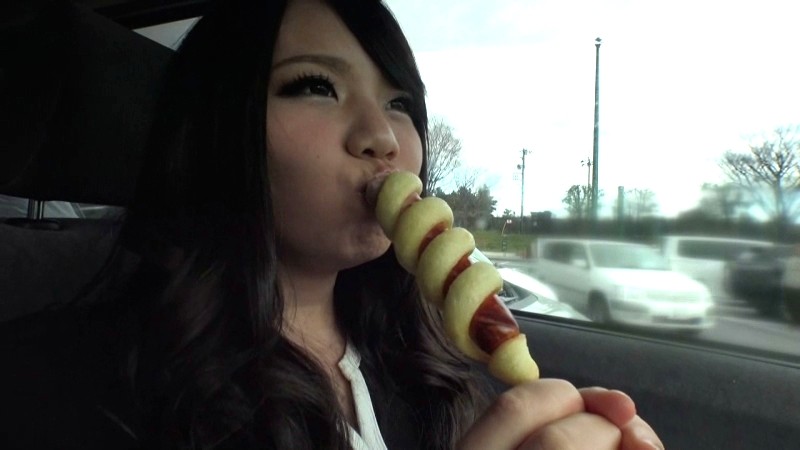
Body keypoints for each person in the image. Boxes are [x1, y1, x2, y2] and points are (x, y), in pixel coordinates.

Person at [4, 0, 663, 449]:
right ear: (215, 130)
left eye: (400, 102)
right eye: (316, 85)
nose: (384, 136)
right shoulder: (57, 387)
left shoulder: (425, 366)